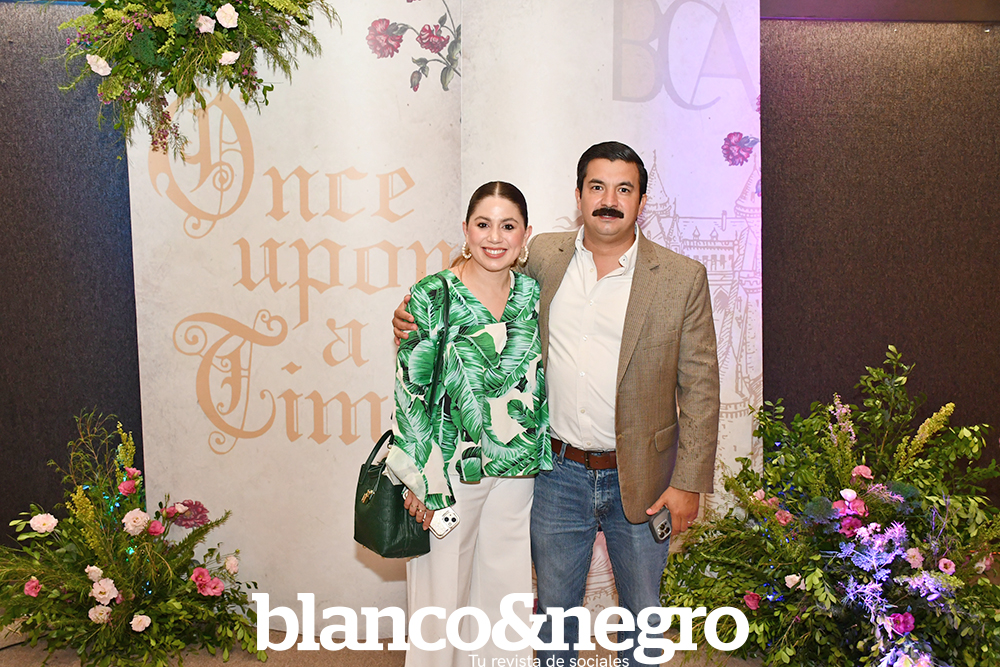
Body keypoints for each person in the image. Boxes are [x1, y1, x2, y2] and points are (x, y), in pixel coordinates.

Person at [394, 142, 720, 667]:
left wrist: (687, 482)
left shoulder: (681, 278)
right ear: (578, 195)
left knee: (643, 614)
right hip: (555, 474)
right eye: (597, 187)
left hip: (641, 476)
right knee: (551, 617)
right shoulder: (547, 257)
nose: (609, 200)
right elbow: (475, 279)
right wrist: (415, 311)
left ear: (642, 201)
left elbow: (701, 388)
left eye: (624, 189)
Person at [387, 181, 551, 667]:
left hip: (517, 466)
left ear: (525, 235)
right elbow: (410, 392)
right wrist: (422, 480)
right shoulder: (432, 294)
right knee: (441, 599)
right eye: (483, 224)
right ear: (465, 230)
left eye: (508, 226)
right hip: (450, 468)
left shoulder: (530, 293)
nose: (495, 237)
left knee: (506, 596)